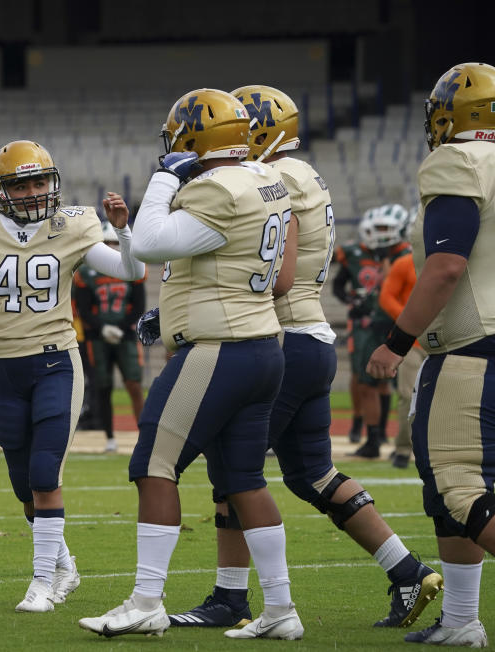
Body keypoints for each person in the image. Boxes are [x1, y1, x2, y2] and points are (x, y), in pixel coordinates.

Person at [166, 85, 441, 632]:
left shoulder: (274, 180)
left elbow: (271, 272)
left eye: (245, 131)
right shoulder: (303, 173)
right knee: (313, 473)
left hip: (280, 335)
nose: (237, 143)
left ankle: (233, 596)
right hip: (313, 337)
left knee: (234, 467)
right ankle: (407, 570)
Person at [79, 89, 302, 640]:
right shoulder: (261, 178)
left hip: (220, 350)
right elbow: (216, 260)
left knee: (153, 464)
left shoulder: (216, 189)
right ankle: (281, 609)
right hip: (260, 346)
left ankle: (146, 600)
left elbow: (152, 244)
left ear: (190, 137)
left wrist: (163, 177)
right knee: (243, 480)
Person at [0, 140, 145, 612]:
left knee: (44, 473)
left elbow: (130, 271)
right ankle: (64, 565)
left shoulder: (72, 224)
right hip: (5, 367)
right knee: (22, 484)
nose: (33, 191)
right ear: (2, 190)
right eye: (21, 184)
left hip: (56, 362)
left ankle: (40, 583)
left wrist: (124, 230)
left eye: (38, 181)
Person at [368, 61, 495, 648]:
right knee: (449, 490)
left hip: (472, 348)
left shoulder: (458, 160)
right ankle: (462, 619)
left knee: (460, 486)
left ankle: (463, 619)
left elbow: (446, 266)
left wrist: (396, 343)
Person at [331, 205, 410, 458]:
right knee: (368, 382)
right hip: (368, 324)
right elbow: (338, 283)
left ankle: (393, 439)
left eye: (386, 228)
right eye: (378, 228)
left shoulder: (408, 255)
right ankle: (373, 438)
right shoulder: (355, 252)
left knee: (402, 389)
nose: (382, 234)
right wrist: (352, 301)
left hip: (398, 326)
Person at [73, 222, 146, 452]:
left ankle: (145, 437)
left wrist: (123, 329)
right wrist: (102, 329)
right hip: (97, 338)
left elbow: (138, 305)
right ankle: (110, 437)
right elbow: (83, 309)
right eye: (107, 243)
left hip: (125, 337)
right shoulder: (86, 273)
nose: (113, 247)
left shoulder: (134, 268)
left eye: (116, 242)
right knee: (102, 387)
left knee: (134, 384)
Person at [378, 245, 426, 469]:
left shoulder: (456, 257)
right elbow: (386, 297)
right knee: (408, 396)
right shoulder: (405, 263)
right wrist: (411, 321)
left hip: (448, 339)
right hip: (414, 342)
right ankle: (404, 449)